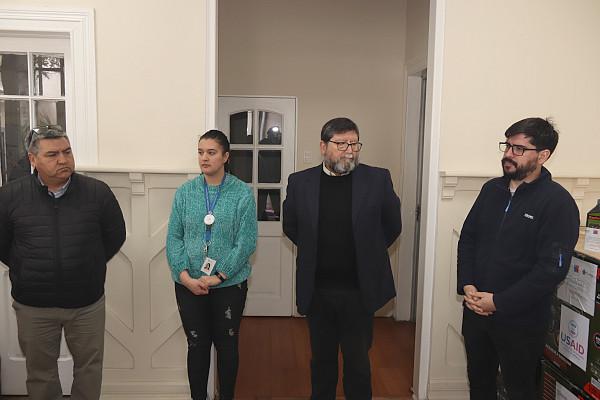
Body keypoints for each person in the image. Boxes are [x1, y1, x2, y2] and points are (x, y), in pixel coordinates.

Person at [457, 117, 580, 400]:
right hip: (476, 312)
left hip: (522, 321)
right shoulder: (492, 190)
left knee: (520, 391)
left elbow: (551, 269)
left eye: (519, 149)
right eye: (507, 145)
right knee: (479, 386)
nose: (509, 154)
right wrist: (468, 285)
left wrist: (499, 302)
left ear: (543, 155)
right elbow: (468, 239)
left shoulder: (558, 202)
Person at [0, 125, 126, 400]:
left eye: (67, 152)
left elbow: (115, 236)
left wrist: (87, 263)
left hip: (86, 303)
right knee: (41, 374)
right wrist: (27, 267)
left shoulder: (97, 193)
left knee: (89, 370)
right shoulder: (10, 196)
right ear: (33, 159)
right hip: (34, 305)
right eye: (52, 154)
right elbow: (4, 245)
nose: (63, 160)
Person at [282, 117, 402, 399]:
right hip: (318, 291)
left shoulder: (377, 179)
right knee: (321, 362)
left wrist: (367, 251)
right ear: (323, 147)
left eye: (354, 144)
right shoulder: (300, 182)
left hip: (359, 292)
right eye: (341, 144)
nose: (350, 151)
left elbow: (392, 225)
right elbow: (292, 226)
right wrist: (318, 250)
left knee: (358, 364)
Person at [166, 129, 257, 400]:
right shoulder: (185, 192)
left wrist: (219, 275)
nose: (204, 158)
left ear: (226, 157)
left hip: (229, 285)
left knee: (227, 346)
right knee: (197, 345)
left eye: (211, 152)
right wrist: (184, 276)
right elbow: (174, 237)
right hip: (189, 284)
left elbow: (246, 241)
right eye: (200, 152)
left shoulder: (242, 193)